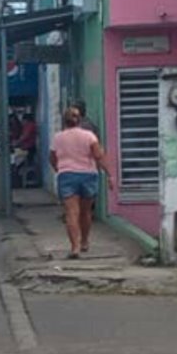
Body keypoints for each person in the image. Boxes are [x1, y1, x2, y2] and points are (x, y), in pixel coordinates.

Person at [50, 107, 115, 259]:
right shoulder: (89, 136)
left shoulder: (58, 138)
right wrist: (110, 175)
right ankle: (85, 241)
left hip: (67, 176)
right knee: (86, 212)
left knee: (71, 213)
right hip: (88, 175)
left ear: (64, 121)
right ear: (80, 120)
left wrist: (59, 169)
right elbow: (99, 156)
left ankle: (75, 247)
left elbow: (52, 158)